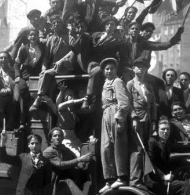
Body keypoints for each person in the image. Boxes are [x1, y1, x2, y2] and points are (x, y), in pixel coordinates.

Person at [125, 56, 157, 191]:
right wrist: (133, 118)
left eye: (143, 66)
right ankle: (134, 180)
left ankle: (144, 179)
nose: (140, 68)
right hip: (137, 120)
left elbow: (153, 105)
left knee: (145, 149)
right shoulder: (130, 84)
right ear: (133, 69)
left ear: (146, 70)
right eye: (137, 66)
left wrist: (154, 120)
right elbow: (128, 103)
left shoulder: (148, 86)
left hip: (148, 120)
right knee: (137, 149)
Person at [99, 58, 131, 192]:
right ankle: (109, 179)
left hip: (115, 113)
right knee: (106, 147)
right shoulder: (105, 83)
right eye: (107, 69)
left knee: (118, 146)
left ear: (115, 70)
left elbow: (124, 102)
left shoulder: (118, 82)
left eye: (112, 68)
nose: (109, 71)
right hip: (106, 114)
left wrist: (120, 119)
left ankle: (121, 177)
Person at [146, 117, 190, 195]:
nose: (165, 132)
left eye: (168, 129)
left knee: (187, 168)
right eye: (163, 129)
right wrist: (163, 177)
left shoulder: (166, 142)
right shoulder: (152, 142)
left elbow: (179, 148)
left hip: (165, 176)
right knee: (183, 185)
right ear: (157, 130)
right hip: (154, 181)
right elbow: (150, 163)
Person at [43, 127, 93, 195]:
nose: (57, 137)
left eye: (59, 135)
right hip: (55, 182)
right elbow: (61, 165)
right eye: (55, 136)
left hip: (68, 178)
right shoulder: (48, 151)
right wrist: (80, 159)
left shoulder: (66, 150)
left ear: (63, 138)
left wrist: (85, 160)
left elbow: (75, 161)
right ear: (51, 139)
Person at [14, 29, 47, 129]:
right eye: (31, 35)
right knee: (22, 91)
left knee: (37, 94)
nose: (33, 37)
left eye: (35, 35)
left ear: (38, 36)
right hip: (25, 75)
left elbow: (45, 59)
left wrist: (43, 70)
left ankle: (36, 118)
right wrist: (17, 76)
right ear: (28, 37)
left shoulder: (42, 47)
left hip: (37, 75)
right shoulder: (24, 49)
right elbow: (17, 64)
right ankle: (22, 121)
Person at [43, 84, 84, 156]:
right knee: (74, 154)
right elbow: (61, 104)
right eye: (69, 95)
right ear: (65, 98)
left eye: (73, 95)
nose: (72, 97)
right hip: (64, 137)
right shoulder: (62, 108)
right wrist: (81, 100)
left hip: (73, 136)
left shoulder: (74, 110)